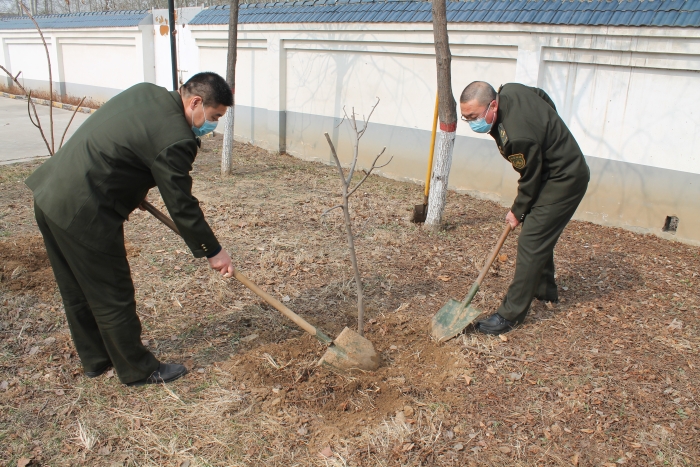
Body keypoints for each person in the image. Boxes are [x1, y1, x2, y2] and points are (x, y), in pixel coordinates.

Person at [26, 72, 235, 386]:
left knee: (76, 290)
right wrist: (213, 251)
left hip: (51, 196)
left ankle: (96, 360)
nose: (213, 124)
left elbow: (124, 144)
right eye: (214, 115)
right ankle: (138, 369)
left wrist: (133, 190)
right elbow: (181, 204)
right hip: (85, 212)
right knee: (113, 293)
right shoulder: (177, 137)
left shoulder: (145, 92)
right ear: (195, 102)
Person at [459, 81, 590, 335]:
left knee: (531, 240)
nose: (472, 122)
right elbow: (542, 96)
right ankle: (544, 290)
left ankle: (510, 316)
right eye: (466, 118)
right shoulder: (510, 89)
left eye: (474, 116)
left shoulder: (517, 137)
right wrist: (548, 127)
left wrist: (517, 211)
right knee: (538, 232)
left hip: (564, 179)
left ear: (493, 105)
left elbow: (529, 179)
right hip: (550, 173)